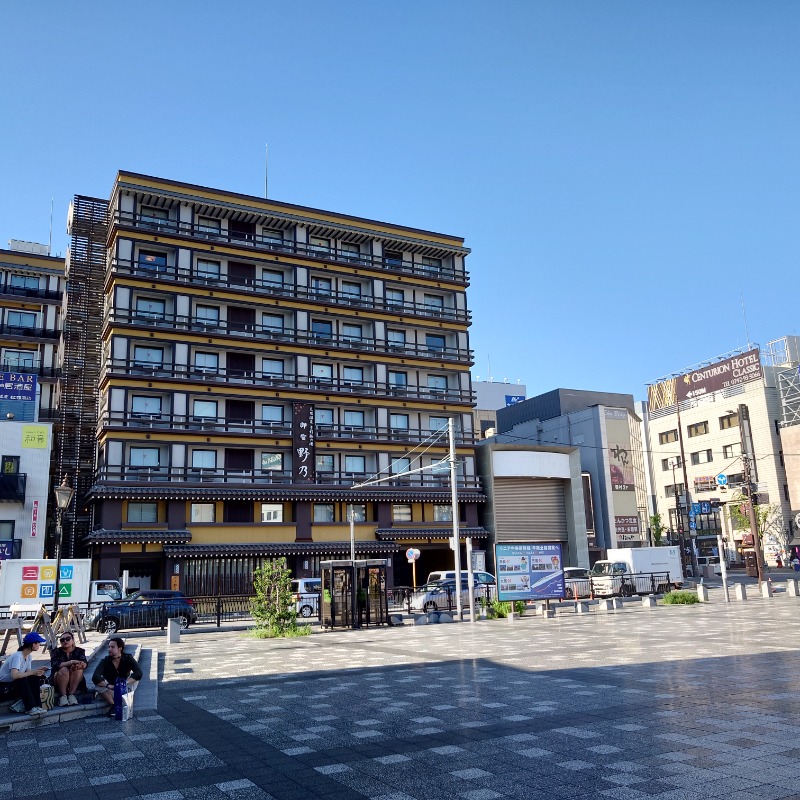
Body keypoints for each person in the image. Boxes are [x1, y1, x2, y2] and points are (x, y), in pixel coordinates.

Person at [0, 632, 48, 716]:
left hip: (14, 684)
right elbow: (14, 675)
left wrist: (38, 671)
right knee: (21, 680)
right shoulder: (17, 656)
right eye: (39, 643)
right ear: (33, 644)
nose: (39, 645)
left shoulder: (28, 656)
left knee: (34, 678)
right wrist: (33, 672)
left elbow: (28, 672)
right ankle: (30, 708)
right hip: (5, 687)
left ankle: (37, 705)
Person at [91, 637, 143, 715]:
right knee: (98, 685)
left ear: (120, 648)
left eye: (112, 647)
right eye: (109, 647)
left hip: (124, 688)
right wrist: (108, 685)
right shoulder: (105, 661)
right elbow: (95, 677)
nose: (109, 649)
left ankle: (120, 701)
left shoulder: (128, 658)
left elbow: (139, 673)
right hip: (111, 689)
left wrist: (125, 683)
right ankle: (114, 705)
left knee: (135, 678)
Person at [50, 631, 88, 706]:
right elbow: (55, 664)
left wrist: (81, 665)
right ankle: (63, 696)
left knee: (78, 669)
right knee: (64, 670)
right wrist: (71, 662)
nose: (65, 641)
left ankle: (71, 694)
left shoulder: (80, 651)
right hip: (58, 678)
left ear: (73, 640)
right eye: (62, 640)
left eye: (68, 639)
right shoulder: (56, 651)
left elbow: (85, 662)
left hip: (74, 679)